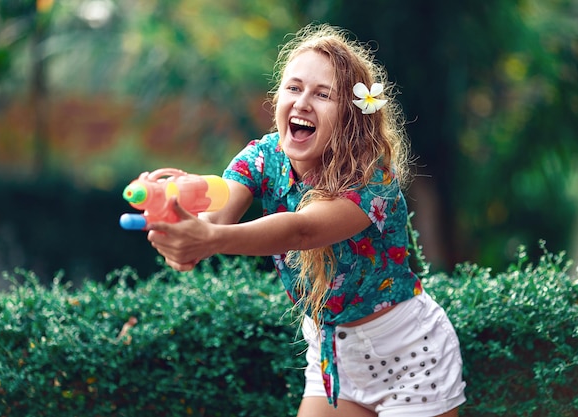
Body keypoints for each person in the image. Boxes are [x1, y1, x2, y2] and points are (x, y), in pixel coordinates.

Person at [147, 23, 466, 417]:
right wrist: (177, 224)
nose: (301, 102)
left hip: (409, 356)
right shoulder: (262, 158)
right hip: (332, 354)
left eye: (322, 94)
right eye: (293, 88)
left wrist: (207, 237)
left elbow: (302, 229)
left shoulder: (372, 181)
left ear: (350, 116)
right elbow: (215, 220)